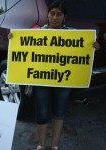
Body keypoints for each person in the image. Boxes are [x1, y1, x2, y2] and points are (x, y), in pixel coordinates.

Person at [33, 1, 100, 150]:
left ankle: (54, 145)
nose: (55, 17)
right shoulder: (38, 33)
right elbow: (24, 48)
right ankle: (41, 145)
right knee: (42, 113)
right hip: (41, 79)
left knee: (59, 112)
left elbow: (83, 52)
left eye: (59, 14)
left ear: (64, 17)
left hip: (63, 80)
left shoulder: (74, 34)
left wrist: (93, 46)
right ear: (47, 15)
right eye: (52, 13)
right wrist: (13, 38)